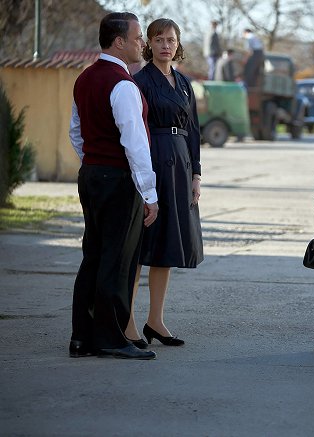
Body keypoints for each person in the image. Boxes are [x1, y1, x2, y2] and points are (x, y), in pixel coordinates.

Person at [68, 12, 159, 360]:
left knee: (93, 254)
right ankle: (110, 337)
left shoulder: (85, 78)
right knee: (117, 259)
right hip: (118, 179)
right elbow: (135, 143)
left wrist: (93, 160)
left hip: (91, 175)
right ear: (119, 42)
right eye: (138, 37)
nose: (142, 43)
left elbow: (75, 132)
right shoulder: (122, 84)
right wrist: (149, 193)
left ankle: (82, 336)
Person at [124, 18, 204, 348]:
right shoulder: (138, 81)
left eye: (171, 39)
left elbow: (195, 131)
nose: (165, 45)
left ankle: (155, 321)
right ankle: (127, 321)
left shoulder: (184, 83)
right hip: (153, 161)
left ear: (178, 44)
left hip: (181, 166)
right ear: (149, 44)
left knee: (167, 245)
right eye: (159, 39)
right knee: (141, 245)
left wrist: (197, 174)